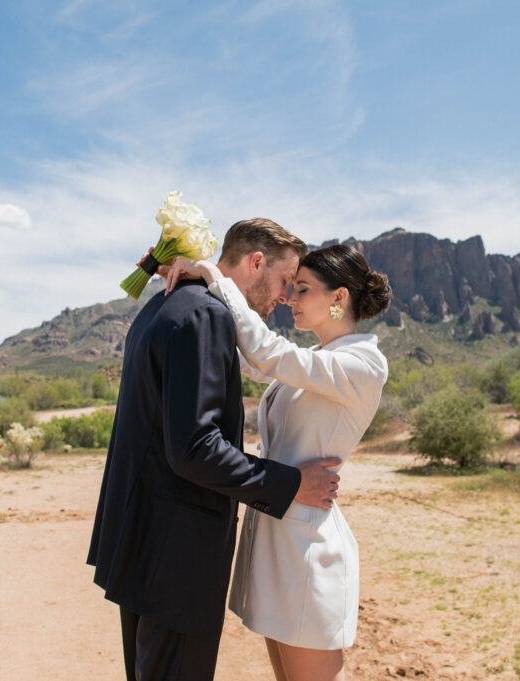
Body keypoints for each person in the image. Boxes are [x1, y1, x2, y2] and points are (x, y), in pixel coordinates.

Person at [87, 218, 345, 681]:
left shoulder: (163, 305)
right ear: (256, 262)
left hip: (140, 541)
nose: (286, 297)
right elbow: (195, 448)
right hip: (176, 554)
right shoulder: (207, 315)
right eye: (286, 281)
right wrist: (291, 484)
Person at [164, 244, 392, 681]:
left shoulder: (363, 363)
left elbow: (268, 354)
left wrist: (216, 277)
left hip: (307, 549)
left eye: (302, 289)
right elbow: (261, 363)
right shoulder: (320, 362)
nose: (289, 299)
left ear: (338, 298)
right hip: (278, 539)